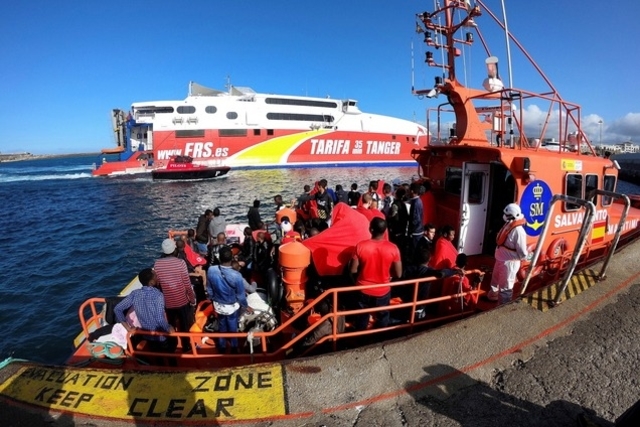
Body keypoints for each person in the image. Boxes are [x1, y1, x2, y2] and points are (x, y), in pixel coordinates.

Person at [350, 217, 402, 330]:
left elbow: (353, 270)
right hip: (383, 290)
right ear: (385, 230)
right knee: (383, 317)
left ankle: (361, 340)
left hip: (363, 289)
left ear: (371, 229)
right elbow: (399, 274)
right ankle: (379, 339)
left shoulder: (360, 246)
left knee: (361, 318)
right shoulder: (393, 248)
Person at [114, 268, 177, 356]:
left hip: (147, 335)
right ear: (151, 282)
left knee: (157, 356)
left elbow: (117, 309)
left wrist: (128, 328)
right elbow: (159, 318)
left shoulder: (135, 294)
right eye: (155, 276)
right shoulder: (158, 295)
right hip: (161, 336)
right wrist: (168, 328)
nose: (157, 277)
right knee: (170, 354)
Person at [207, 246, 251, 353]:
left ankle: (222, 347)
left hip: (218, 304)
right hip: (231, 306)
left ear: (219, 258)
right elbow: (241, 295)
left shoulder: (211, 270)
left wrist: (213, 299)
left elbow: (209, 289)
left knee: (222, 324)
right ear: (232, 258)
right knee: (232, 327)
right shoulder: (237, 275)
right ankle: (234, 348)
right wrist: (245, 306)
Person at [154, 238, 196, 351]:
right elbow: (187, 284)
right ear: (174, 250)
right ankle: (186, 346)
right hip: (182, 301)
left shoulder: (157, 264)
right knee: (184, 325)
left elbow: (158, 283)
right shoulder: (180, 263)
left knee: (171, 325)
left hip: (167, 302)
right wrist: (192, 299)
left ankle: (172, 346)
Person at [488, 203, 529, 304]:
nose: (504, 216)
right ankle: (493, 296)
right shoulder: (509, 224)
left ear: (512, 215)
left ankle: (502, 307)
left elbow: (522, 251)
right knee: (495, 281)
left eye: (506, 214)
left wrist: (524, 258)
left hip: (509, 263)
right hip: (500, 259)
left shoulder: (519, 231)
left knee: (505, 288)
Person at [408, 182, 425, 252]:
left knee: (414, 250)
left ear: (412, 191)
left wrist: (411, 230)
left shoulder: (415, 203)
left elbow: (415, 219)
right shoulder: (419, 201)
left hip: (416, 232)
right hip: (419, 230)